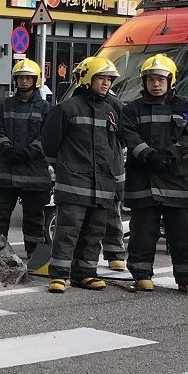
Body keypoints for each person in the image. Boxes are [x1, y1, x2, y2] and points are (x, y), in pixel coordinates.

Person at [121, 54, 188, 295]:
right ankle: (141, 274)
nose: (155, 84)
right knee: (142, 231)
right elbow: (130, 136)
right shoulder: (131, 109)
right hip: (143, 180)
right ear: (144, 82)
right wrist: (148, 154)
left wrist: (170, 155)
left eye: (160, 79)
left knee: (182, 232)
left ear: (171, 80)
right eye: (150, 79)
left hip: (177, 179)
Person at [41, 56, 125, 294]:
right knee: (68, 229)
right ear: (87, 78)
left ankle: (86, 274)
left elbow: (117, 146)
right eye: (101, 78)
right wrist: (65, 169)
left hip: (103, 183)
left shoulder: (113, 110)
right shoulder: (67, 108)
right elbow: (49, 146)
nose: (106, 83)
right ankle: (58, 275)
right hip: (74, 183)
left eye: (109, 79)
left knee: (95, 231)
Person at [0, 58, 52, 258]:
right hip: (6, 173)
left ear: (36, 80)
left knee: (34, 218)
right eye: (20, 77)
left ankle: (35, 256)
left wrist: (30, 151)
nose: (24, 81)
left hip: (34, 173)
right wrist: (7, 149)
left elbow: (47, 136)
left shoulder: (46, 109)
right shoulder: (3, 106)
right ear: (15, 80)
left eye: (28, 78)